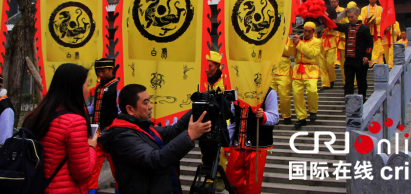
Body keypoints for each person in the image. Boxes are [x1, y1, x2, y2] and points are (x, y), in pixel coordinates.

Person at [99, 84, 211, 194]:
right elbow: (155, 160)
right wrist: (190, 135)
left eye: (149, 101)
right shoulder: (123, 136)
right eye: (145, 103)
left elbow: (174, 131)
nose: (150, 106)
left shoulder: (144, 129)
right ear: (130, 109)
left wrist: (199, 107)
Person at [22, 63, 97, 194]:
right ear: (76, 88)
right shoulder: (75, 122)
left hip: (36, 186)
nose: (87, 89)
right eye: (86, 84)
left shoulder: (33, 115)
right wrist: (91, 146)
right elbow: (82, 172)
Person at [224, 87, 278, 194]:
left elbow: (275, 117)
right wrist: (228, 143)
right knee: (231, 179)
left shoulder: (269, 92)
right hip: (237, 145)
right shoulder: (237, 92)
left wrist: (263, 116)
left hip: (257, 147)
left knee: (253, 185)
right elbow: (233, 120)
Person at [322, 8, 374, 98]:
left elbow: (370, 43)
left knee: (362, 82)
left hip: (361, 60)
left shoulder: (364, 28)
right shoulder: (347, 27)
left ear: (357, 15)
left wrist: (367, 56)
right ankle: (348, 102)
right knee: (348, 82)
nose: (350, 19)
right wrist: (327, 16)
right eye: (349, 17)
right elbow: (335, 25)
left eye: (352, 17)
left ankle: (362, 100)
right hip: (349, 60)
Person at [87, 58, 119, 194]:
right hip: (97, 136)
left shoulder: (118, 87)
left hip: (112, 136)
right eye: (98, 71)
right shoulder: (98, 87)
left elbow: (120, 111)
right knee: (92, 168)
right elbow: (93, 108)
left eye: (103, 71)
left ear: (111, 70)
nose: (100, 74)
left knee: (117, 169)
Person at [291, 22, 322, 129]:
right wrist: (291, 43)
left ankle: (313, 111)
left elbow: (311, 53)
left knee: (312, 91)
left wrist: (298, 43)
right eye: (305, 30)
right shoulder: (299, 41)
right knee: (296, 94)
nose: (307, 33)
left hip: (311, 70)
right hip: (298, 70)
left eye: (309, 31)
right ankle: (301, 118)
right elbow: (290, 52)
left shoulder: (317, 42)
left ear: (313, 32)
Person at [205, 51, 227, 192]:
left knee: (221, 150)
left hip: (223, 120)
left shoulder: (226, 80)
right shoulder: (203, 79)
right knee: (205, 148)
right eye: (206, 67)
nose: (207, 69)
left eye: (210, 66)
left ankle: (219, 177)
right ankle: (208, 177)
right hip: (206, 119)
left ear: (218, 66)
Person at [271, 36, 293, 124]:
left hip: (284, 72)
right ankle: (274, 116)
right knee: (272, 97)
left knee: (284, 96)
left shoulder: (287, 39)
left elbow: (288, 52)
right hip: (271, 72)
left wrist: (280, 41)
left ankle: (286, 115)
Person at [360, 0, 383, 67]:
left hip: (377, 32)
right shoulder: (364, 9)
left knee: (377, 48)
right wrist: (367, 20)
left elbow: (382, 19)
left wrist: (374, 20)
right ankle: (370, 63)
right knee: (368, 47)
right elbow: (362, 18)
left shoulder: (380, 8)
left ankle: (374, 62)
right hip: (367, 31)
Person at [320, 5, 338, 91]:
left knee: (330, 63)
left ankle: (332, 79)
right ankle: (325, 83)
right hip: (322, 43)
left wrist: (327, 15)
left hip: (331, 42)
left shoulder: (333, 20)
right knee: (322, 65)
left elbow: (333, 24)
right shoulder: (319, 20)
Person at [330, 0, 346, 81]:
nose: (333, 3)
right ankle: (335, 62)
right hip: (332, 34)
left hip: (340, 33)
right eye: (331, 2)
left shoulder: (342, 10)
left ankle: (337, 62)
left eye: (334, 2)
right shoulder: (328, 11)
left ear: (337, 2)